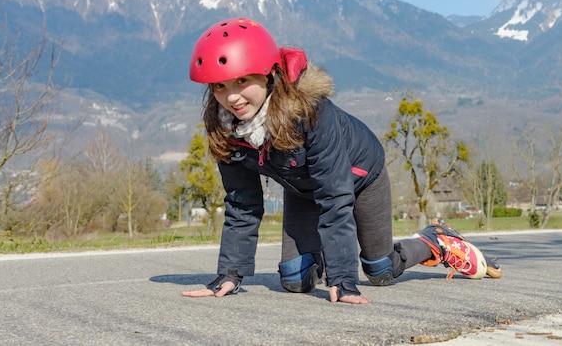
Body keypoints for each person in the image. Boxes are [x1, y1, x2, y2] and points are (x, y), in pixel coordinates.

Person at [181, 17, 501, 304]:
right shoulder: (228, 129)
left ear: (269, 76)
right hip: (304, 188)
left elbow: (335, 198)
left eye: (241, 81)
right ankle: (320, 258)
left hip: (360, 177)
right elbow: (242, 203)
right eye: (220, 86)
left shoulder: (310, 114)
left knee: (380, 270)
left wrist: (343, 279)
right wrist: (229, 275)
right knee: (295, 279)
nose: (232, 97)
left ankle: (436, 241)